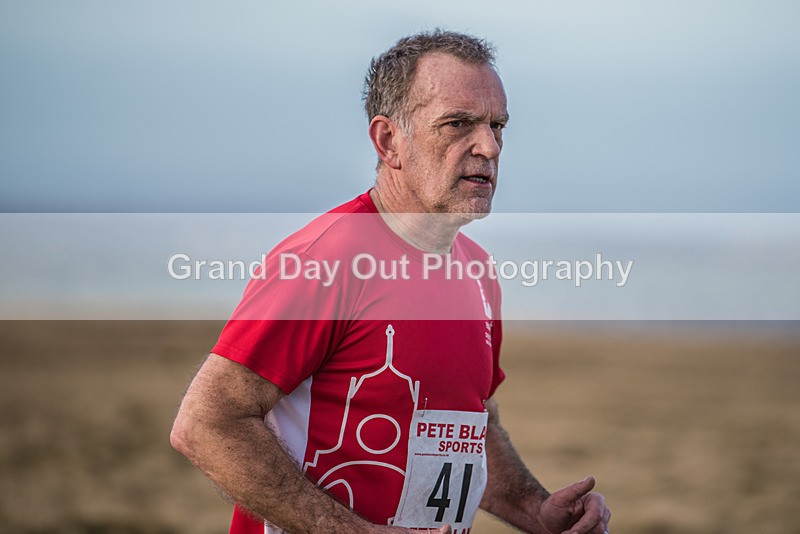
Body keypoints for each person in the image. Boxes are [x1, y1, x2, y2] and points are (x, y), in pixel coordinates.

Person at [171, 29, 611, 534]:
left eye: (497, 125)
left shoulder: (478, 271)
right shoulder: (326, 259)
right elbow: (207, 423)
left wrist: (536, 509)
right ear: (389, 140)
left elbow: (468, 429)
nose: (489, 146)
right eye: (458, 123)